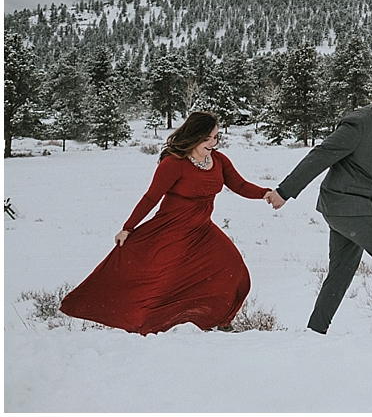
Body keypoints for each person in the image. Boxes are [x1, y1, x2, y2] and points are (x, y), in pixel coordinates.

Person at [60, 111, 270, 335]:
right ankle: (146, 324)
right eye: (207, 138)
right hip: (171, 231)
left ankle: (217, 321)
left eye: (216, 137)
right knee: (159, 283)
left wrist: (265, 193)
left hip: (202, 230)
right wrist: (127, 228)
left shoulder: (219, 161)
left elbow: (240, 185)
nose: (213, 143)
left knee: (234, 271)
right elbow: (151, 197)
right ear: (195, 136)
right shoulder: (174, 164)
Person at [263, 74, 372, 334]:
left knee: (341, 270)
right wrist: (285, 191)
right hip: (347, 205)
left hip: (358, 206)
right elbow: (320, 156)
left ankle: (314, 331)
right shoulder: (360, 123)